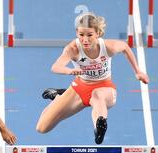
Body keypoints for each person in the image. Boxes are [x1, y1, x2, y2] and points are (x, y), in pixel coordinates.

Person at [36, 12, 149, 144]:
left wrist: (138, 71)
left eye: (89, 35)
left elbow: (125, 47)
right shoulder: (73, 49)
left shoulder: (107, 47)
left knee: (97, 96)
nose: (85, 39)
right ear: (77, 33)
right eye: (81, 35)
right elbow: (55, 67)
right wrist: (70, 70)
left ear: (98, 33)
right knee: (42, 128)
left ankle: (99, 127)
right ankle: (58, 96)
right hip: (80, 88)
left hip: (104, 87)